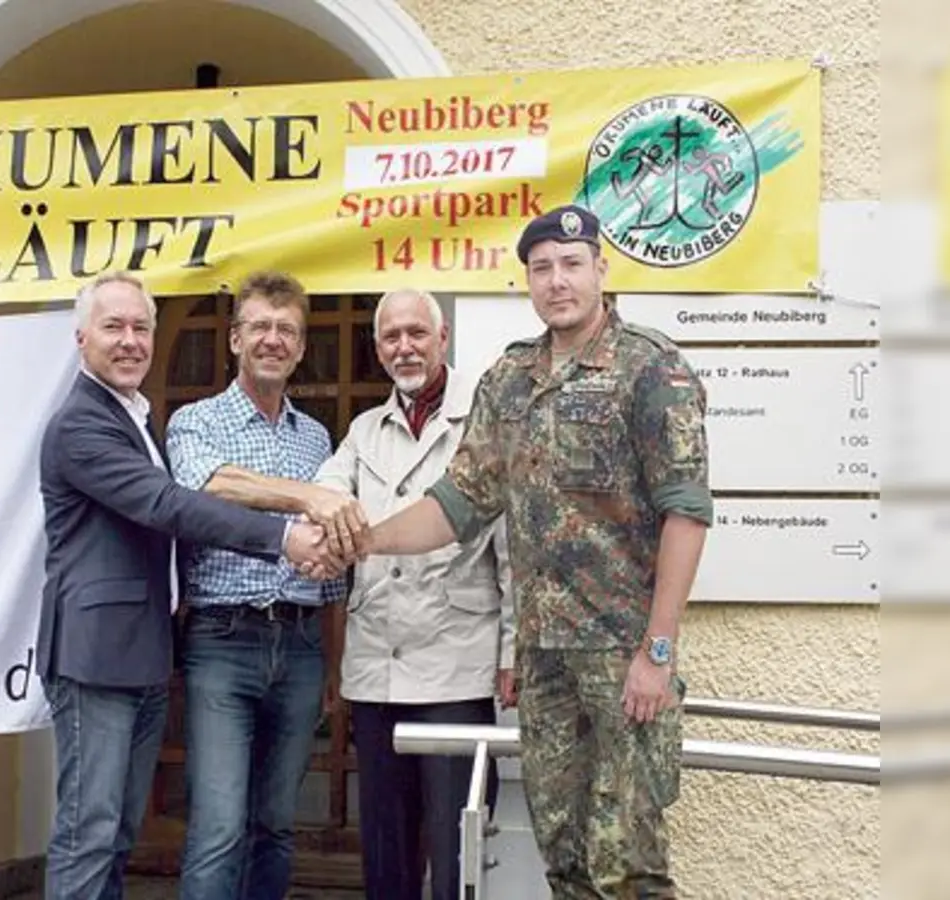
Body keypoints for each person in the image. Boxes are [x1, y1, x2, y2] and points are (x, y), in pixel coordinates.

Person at [360, 205, 713, 898]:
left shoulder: (651, 368)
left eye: (572, 265)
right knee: (565, 857)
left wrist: (658, 653)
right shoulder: (509, 381)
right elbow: (457, 506)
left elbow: (687, 514)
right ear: (528, 280)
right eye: (542, 268)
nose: (558, 281)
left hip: (623, 660)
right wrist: (365, 541)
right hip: (545, 663)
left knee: (628, 866)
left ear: (601, 272)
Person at [35, 270, 332, 900]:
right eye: (114, 327)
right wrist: (282, 534)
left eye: (142, 327)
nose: (131, 341)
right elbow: (169, 504)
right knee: (91, 831)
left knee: (116, 831)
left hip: (142, 654)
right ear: (81, 335)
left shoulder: (133, 416)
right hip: (98, 655)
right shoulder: (82, 426)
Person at [310, 287, 515, 900]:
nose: (405, 347)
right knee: (386, 851)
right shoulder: (362, 430)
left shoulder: (484, 422)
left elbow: (513, 549)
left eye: (417, 334)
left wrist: (513, 651)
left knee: (458, 849)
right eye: (392, 337)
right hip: (377, 665)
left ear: (442, 338)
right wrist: (322, 522)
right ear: (378, 349)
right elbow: (326, 495)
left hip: (456, 663)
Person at [162, 271, 353, 900]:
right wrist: (310, 497)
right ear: (236, 340)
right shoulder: (198, 421)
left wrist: (332, 664)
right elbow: (209, 486)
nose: (273, 340)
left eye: (287, 331)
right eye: (261, 327)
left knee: (275, 825)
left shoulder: (317, 438)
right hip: (223, 641)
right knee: (218, 825)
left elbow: (329, 574)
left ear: (300, 348)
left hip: (299, 648)